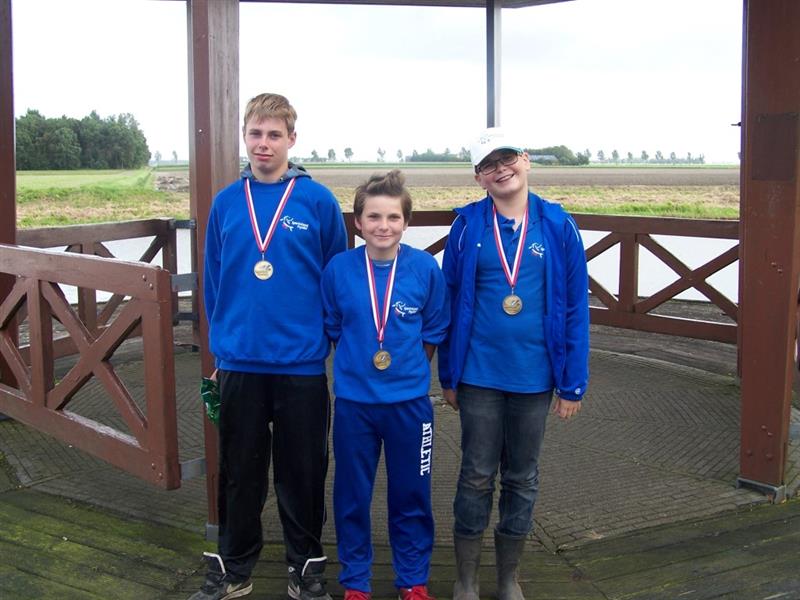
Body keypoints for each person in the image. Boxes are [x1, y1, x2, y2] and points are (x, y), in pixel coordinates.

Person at [193, 93, 347, 600]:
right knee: (240, 472)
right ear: (245, 137)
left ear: (292, 140)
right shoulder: (225, 203)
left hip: (301, 364)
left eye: (274, 134)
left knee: (303, 472)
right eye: (256, 133)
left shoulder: (317, 201)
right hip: (240, 361)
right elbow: (214, 282)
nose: (264, 143)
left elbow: (336, 278)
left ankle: (305, 567)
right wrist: (221, 348)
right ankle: (235, 569)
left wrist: (323, 341)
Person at [438, 127, 589, 600]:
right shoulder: (467, 227)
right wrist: (448, 375)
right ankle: (466, 578)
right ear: (478, 177)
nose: (501, 169)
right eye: (489, 165)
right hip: (478, 374)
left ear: (526, 159)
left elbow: (575, 308)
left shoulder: (558, 225)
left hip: (535, 376)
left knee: (522, 477)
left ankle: (508, 577)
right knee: (476, 474)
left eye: (507, 158)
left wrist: (573, 383)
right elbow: (450, 301)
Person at [320, 170, 449, 600]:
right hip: (354, 405)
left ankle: (412, 580)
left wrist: (407, 371)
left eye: (393, 217)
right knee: (352, 496)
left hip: (409, 405)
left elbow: (433, 329)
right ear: (358, 222)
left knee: (411, 494)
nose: (383, 226)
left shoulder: (424, 268)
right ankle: (356, 581)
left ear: (406, 222)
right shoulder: (339, 269)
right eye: (373, 216)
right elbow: (334, 327)